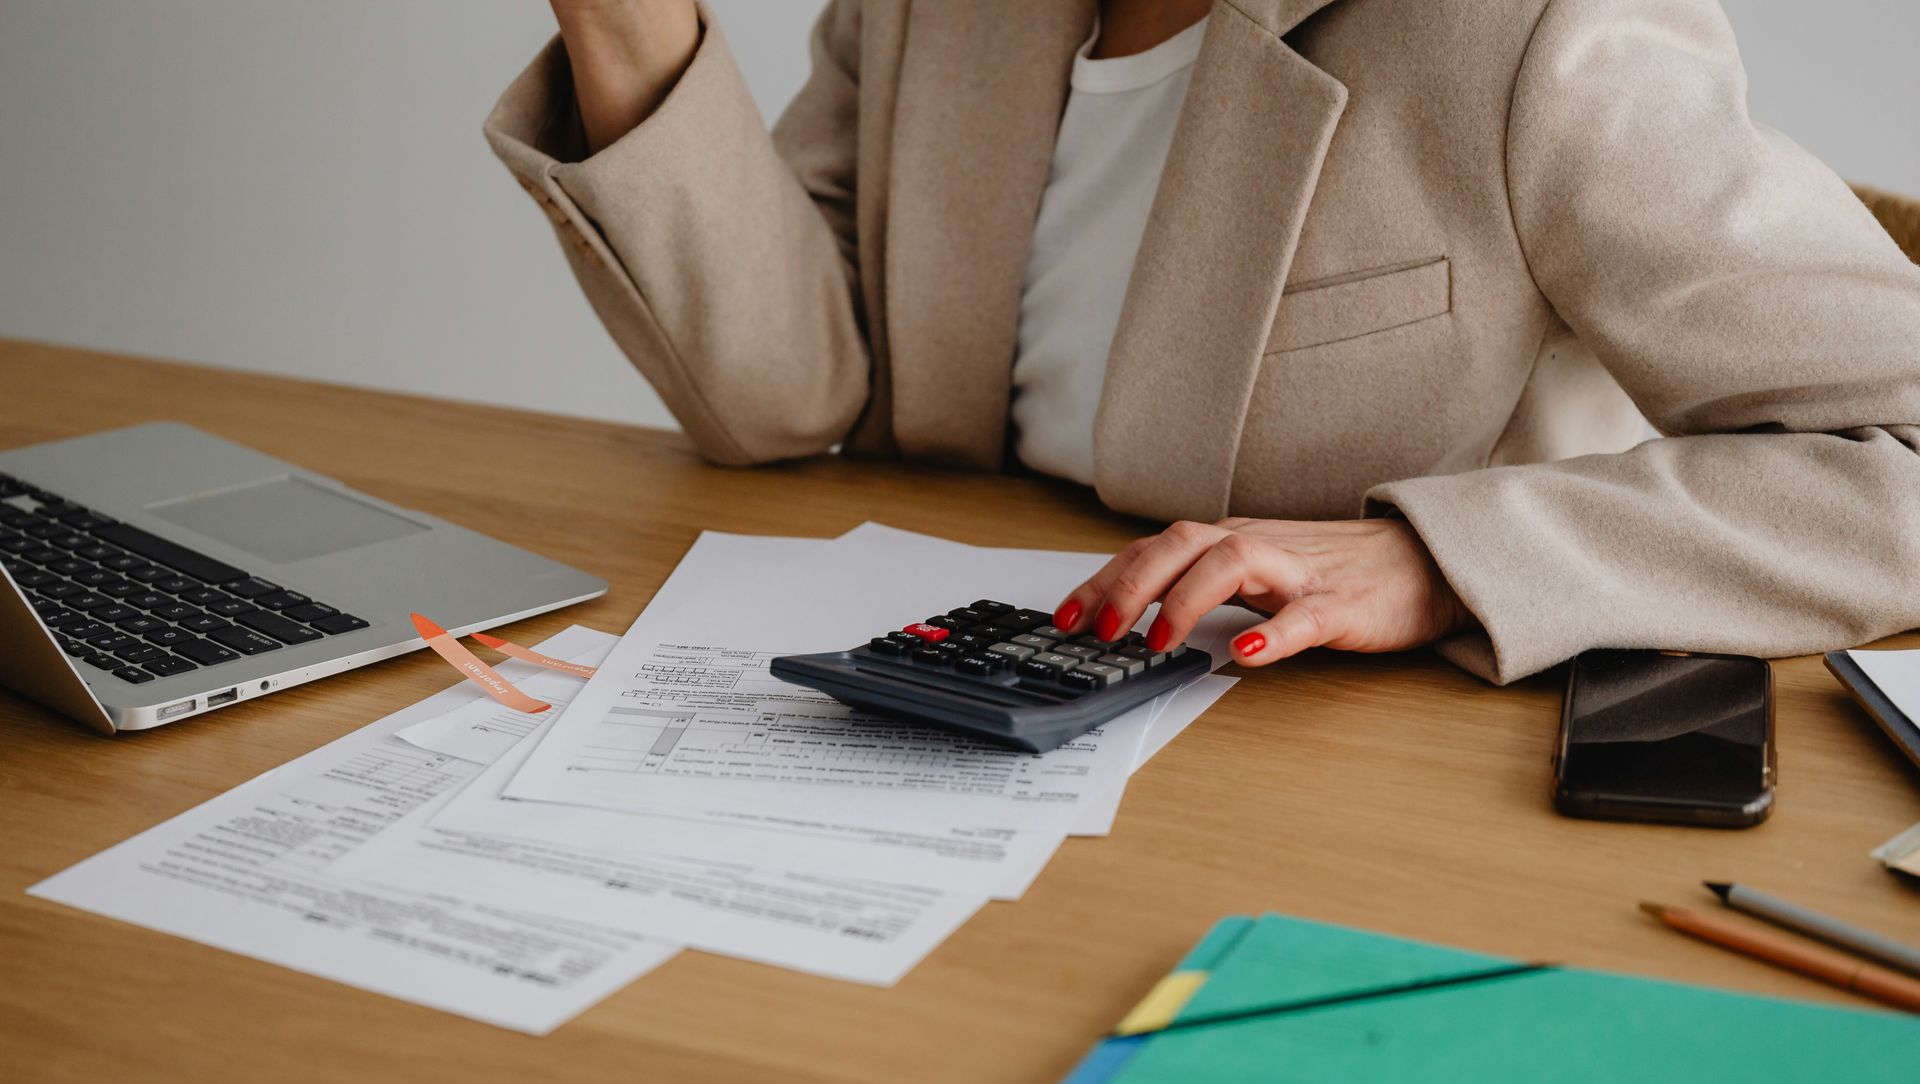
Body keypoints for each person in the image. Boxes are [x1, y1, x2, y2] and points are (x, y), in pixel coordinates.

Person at [488, 0, 1920, 681]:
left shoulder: (1538, 30)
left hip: (1361, 780)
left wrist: (1441, 560)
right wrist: (629, 17)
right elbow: (789, 395)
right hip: (972, 714)